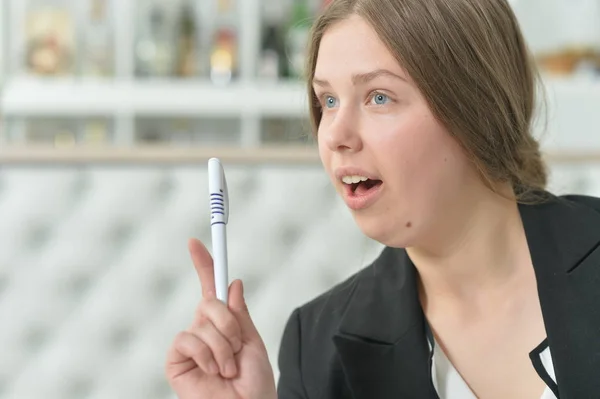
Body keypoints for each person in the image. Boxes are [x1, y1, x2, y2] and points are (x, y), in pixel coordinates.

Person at [165, 0, 600, 398]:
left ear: (475, 108)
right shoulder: (316, 349)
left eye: (378, 97)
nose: (333, 134)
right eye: (328, 100)